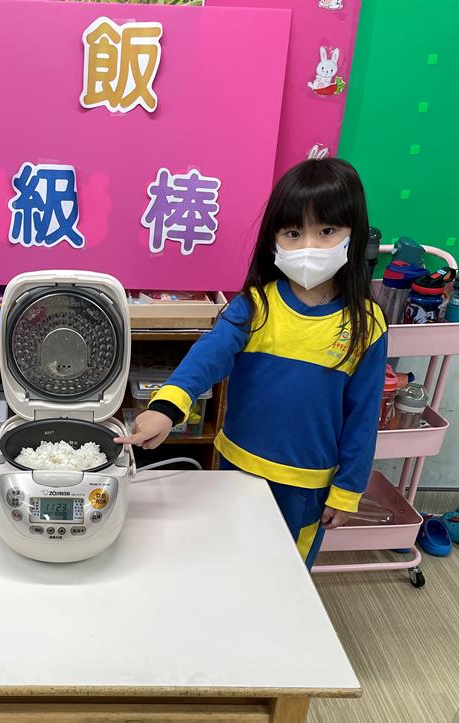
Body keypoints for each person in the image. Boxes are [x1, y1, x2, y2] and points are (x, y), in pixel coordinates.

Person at [117, 158, 387, 568]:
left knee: (285, 571)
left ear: (355, 233)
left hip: (306, 484)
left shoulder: (367, 324)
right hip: (237, 465)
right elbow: (207, 357)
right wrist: (166, 408)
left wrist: (348, 491)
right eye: (293, 233)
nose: (309, 247)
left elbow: (363, 419)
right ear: (274, 239)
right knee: (229, 558)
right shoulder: (254, 306)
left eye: (326, 231)